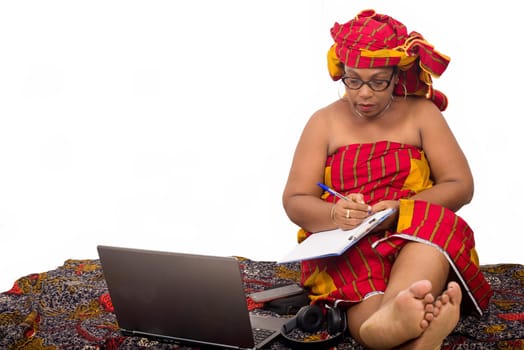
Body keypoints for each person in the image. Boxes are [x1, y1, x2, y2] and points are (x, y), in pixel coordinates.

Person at [282, 9, 493, 350]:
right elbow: (295, 200)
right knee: (360, 282)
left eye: (378, 81)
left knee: (431, 234)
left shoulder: (422, 114)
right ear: (342, 74)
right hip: (349, 239)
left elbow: (459, 184)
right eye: (353, 80)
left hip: (412, 227)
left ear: (397, 76)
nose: (364, 93)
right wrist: (335, 213)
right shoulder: (323, 123)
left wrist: (401, 209)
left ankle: (400, 309)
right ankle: (402, 333)